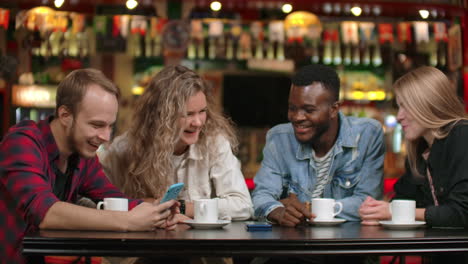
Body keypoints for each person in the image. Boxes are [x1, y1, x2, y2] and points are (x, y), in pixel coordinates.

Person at [0, 69, 179, 264]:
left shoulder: (83, 155)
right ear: (65, 115)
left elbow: (115, 199)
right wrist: (129, 221)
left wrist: (157, 213)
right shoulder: (22, 142)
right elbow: (45, 212)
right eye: (97, 125)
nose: (105, 137)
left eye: (110, 126)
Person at [99, 65, 253, 223]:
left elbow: (243, 205)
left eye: (202, 111)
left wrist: (183, 207)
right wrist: (145, 204)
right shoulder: (125, 148)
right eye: (188, 114)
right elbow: (97, 201)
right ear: (160, 116)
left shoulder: (214, 143)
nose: (198, 122)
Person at [252, 64, 385, 227]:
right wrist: (278, 211)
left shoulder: (367, 135)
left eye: (309, 110)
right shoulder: (279, 138)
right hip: (296, 246)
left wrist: (307, 207)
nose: (297, 117)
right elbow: (260, 196)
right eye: (292, 108)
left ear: (334, 109)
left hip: (347, 244)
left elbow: (368, 204)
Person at [359, 66, 468, 229]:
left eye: (405, 106)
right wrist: (376, 208)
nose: (399, 116)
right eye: (398, 107)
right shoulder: (421, 150)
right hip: (440, 252)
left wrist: (394, 211)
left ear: (428, 103)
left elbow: (462, 213)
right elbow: (403, 197)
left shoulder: (462, 135)